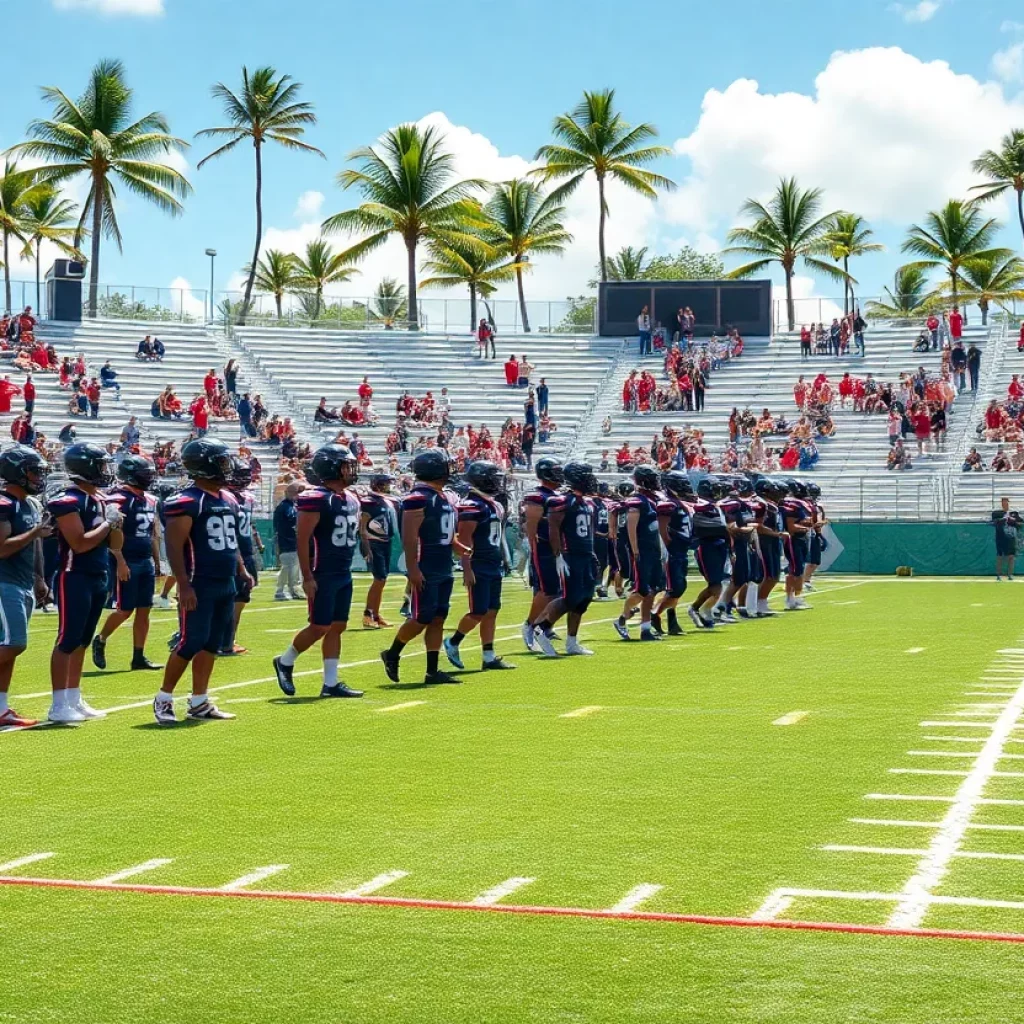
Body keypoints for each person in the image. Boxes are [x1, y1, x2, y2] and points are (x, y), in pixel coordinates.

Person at [153, 439, 250, 724]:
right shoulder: (187, 501)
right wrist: (183, 584)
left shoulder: (228, 498)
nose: (227, 466)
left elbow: (231, 543)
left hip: (225, 580)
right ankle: (163, 698)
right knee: (190, 641)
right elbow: (174, 545)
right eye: (221, 461)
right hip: (199, 581)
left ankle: (199, 701)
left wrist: (241, 569)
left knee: (212, 644)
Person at [272, 445, 363, 699]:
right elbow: (303, 539)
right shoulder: (316, 498)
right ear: (331, 467)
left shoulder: (351, 497)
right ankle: (285, 660)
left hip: (343, 570)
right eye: (346, 465)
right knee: (319, 626)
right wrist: (307, 576)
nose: (351, 470)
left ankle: (330, 683)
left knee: (338, 626)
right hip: (322, 571)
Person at [47, 443, 123, 724]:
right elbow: (79, 544)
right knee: (67, 639)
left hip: (98, 572)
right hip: (74, 574)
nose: (105, 470)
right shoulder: (68, 500)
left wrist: (116, 525)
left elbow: (114, 543)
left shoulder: (101, 499)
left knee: (82, 640)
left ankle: (73, 697)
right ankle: (57, 704)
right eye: (101, 465)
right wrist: (107, 524)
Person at [381, 449, 467, 685]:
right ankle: (392, 653)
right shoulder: (417, 498)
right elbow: (409, 538)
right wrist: (413, 569)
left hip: (443, 562)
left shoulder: (443, 496)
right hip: (426, 562)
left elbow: (445, 530)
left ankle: (432, 671)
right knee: (422, 618)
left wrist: (457, 545)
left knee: (439, 617)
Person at [442, 460, 517, 670]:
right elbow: (465, 539)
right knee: (478, 611)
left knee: (492, 610)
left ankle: (489, 656)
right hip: (478, 563)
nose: (497, 482)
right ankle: (453, 641)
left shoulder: (492, 503)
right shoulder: (471, 505)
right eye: (493, 477)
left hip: (492, 562)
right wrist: (466, 568)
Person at [91, 455, 162, 673]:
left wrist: (158, 562)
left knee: (144, 610)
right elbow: (114, 531)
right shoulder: (119, 498)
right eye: (144, 474)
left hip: (144, 559)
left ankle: (138, 656)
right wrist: (120, 560)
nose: (148, 478)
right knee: (125, 609)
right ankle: (100, 639)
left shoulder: (149, 499)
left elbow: (152, 534)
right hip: (126, 558)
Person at [0, 446, 51, 728]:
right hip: (4, 581)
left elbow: (36, 545)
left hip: (22, 582)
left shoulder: (30, 505)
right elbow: (1, 549)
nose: (38, 477)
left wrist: (40, 577)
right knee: (14, 643)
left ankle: (1, 708)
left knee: (8, 646)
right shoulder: (4, 504)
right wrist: (34, 532)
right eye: (33, 471)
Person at [531, 461, 599, 656]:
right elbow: (553, 529)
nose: (590, 479)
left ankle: (571, 642)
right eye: (586, 475)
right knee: (570, 598)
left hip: (585, 554)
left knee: (584, 600)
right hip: (570, 555)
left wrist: (592, 553)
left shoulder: (587, 502)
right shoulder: (561, 501)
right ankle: (540, 628)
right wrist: (558, 555)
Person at [613, 465, 665, 641]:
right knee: (642, 589)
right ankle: (622, 618)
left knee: (653, 589)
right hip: (642, 550)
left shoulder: (651, 499)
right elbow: (631, 526)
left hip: (653, 549)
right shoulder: (637, 500)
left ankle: (645, 628)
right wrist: (635, 550)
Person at [219, 458, 263, 656]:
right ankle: (223, 639)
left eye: (246, 473)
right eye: (240, 473)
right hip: (230, 553)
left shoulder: (247, 498)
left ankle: (229, 637)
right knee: (227, 598)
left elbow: (250, 525)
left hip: (246, 551)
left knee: (242, 598)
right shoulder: (222, 497)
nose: (244, 477)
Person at [651, 470, 694, 637]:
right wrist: (669, 543)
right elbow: (663, 527)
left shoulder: (679, 502)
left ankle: (671, 620)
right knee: (675, 587)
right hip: (673, 550)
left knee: (679, 587)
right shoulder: (667, 503)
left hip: (681, 549)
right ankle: (654, 614)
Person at [688, 477, 731, 629]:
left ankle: (702, 610)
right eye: (715, 488)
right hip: (706, 546)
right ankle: (698, 609)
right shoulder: (699, 504)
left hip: (719, 545)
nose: (718, 492)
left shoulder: (714, 505)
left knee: (718, 583)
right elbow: (711, 525)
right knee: (715, 584)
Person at [359, 473, 397, 629]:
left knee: (382, 579)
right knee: (379, 579)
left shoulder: (385, 501)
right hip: (374, 543)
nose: (389, 487)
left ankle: (375, 614)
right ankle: (368, 615)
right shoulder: (369, 502)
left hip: (385, 543)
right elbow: (362, 528)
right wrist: (367, 548)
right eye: (386, 484)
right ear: (378, 485)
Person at [781, 479, 813, 610]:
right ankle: (794, 599)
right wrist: (804, 527)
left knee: (797, 569)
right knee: (796, 570)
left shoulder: (798, 503)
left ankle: (793, 598)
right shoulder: (791, 504)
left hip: (799, 539)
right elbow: (791, 527)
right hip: (794, 539)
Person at [273, 482, 302, 600]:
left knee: (293, 568)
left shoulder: (291, 506)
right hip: (287, 541)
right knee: (288, 567)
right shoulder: (285, 507)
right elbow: (291, 524)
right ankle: (281, 591)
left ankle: (292, 590)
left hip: (291, 542)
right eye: (296, 493)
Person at [992, 497, 1022, 581]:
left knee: (1011, 556)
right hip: (1000, 537)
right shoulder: (996, 513)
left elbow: (1020, 523)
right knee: (1000, 556)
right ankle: (998, 575)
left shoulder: (1014, 513)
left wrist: (1013, 521)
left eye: (1007, 502)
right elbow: (994, 522)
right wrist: (1003, 519)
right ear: (1001, 503)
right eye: (1004, 502)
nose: (1005, 504)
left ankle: (1010, 574)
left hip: (1011, 538)